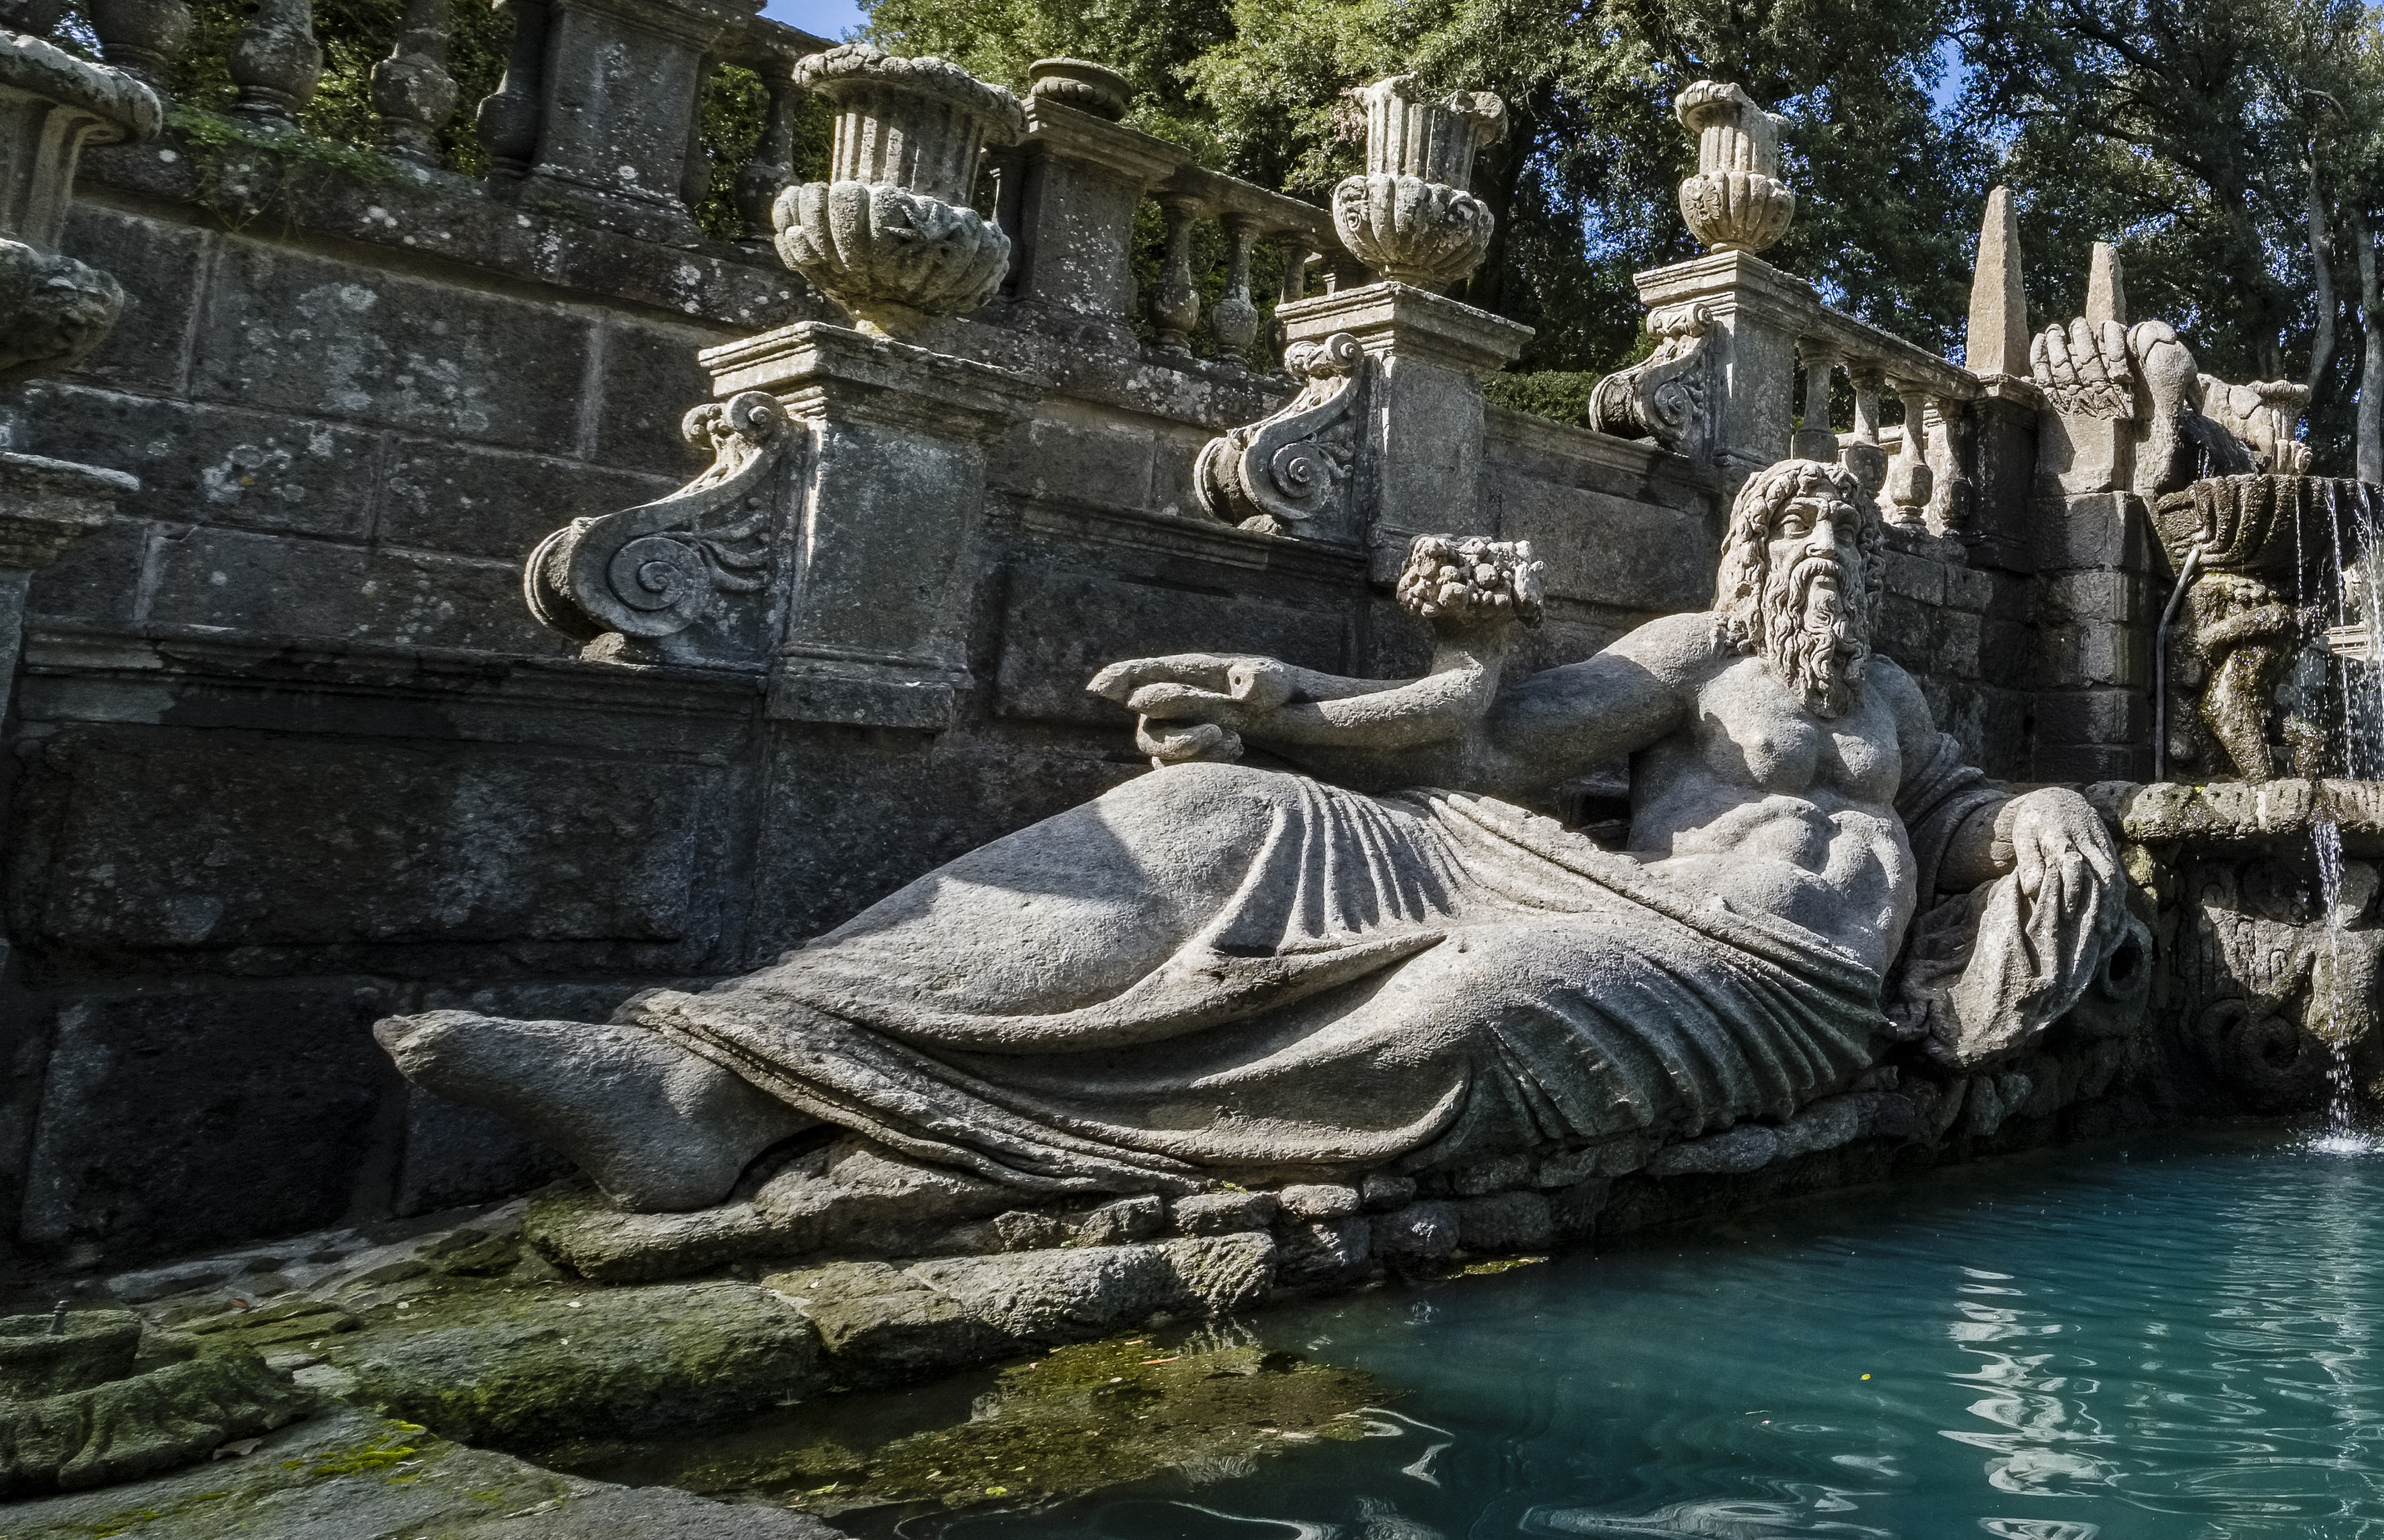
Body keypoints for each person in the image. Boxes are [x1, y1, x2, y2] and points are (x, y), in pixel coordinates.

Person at [378, 458, 2140, 1218]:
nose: (1823, 548)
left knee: (1466, 1010)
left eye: (1845, 532)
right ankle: (715, 1081)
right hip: (1595, 881)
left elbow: (1957, 818)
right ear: (1744, 556)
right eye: (1790, 525)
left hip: (1771, 987)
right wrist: (1295, 701)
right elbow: (1496, 738)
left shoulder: (1898, 700)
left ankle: (947, 1120)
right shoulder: (1694, 657)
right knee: (1222, 810)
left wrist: (2040, 812)